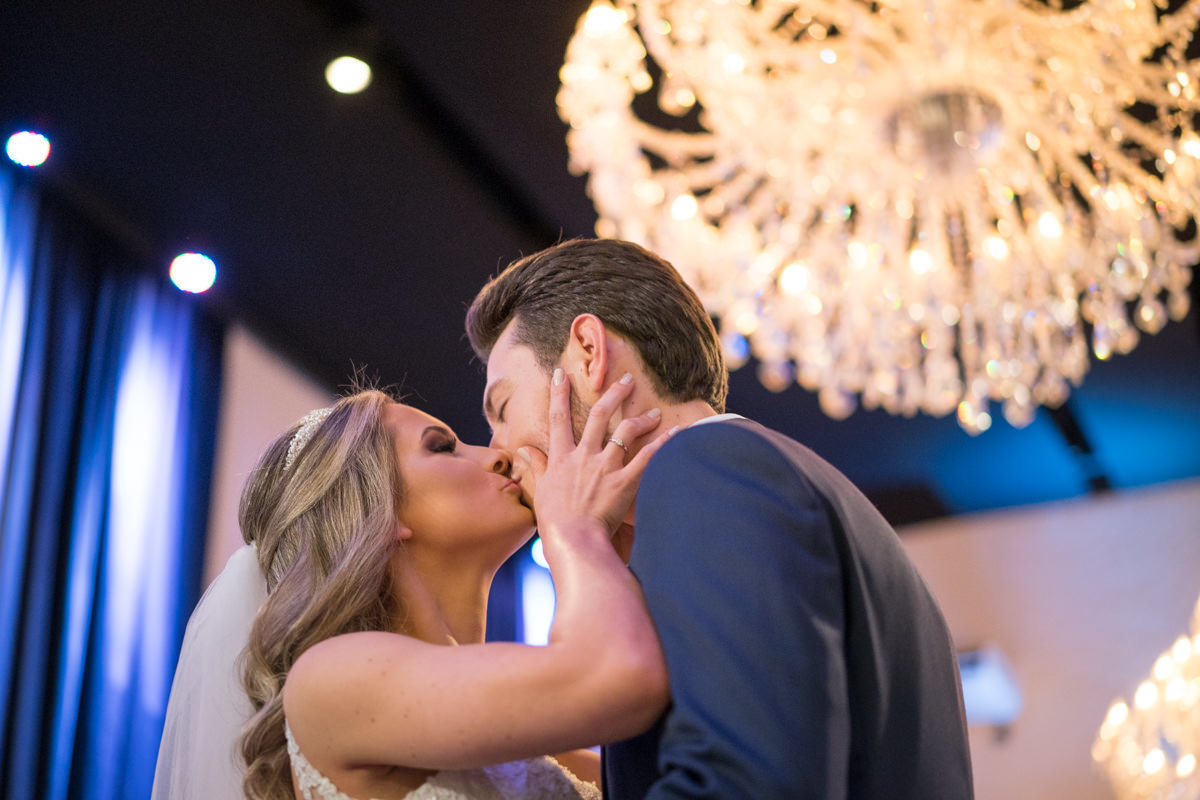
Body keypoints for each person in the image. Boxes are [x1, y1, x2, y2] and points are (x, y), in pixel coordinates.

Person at [466, 237, 975, 799]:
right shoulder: (744, 479)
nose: (499, 448)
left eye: (504, 408)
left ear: (588, 352)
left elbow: (747, 782)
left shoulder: (707, 468)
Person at [152, 376, 675, 800]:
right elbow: (622, 678)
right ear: (376, 513)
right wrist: (577, 533)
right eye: (444, 447)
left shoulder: (529, 745)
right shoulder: (331, 680)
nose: (496, 455)